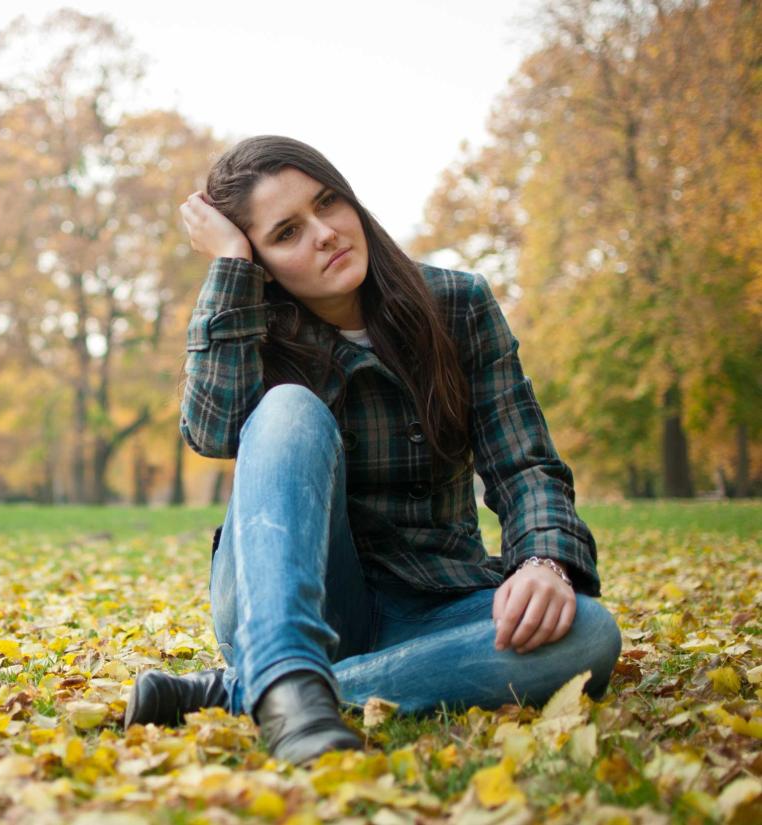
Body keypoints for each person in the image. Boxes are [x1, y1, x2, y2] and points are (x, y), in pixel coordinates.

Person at [123, 136, 622, 766]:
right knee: (287, 407)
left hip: (437, 601)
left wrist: (544, 564)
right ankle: (286, 664)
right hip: (294, 604)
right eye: (286, 233)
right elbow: (213, 431)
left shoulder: (459, 306)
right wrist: (230, 266)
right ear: (263, 263)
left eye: (328, 203)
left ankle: (260, 692)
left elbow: (526, 464)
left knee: (588, 634)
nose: (325, 233)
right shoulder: (256, 330)